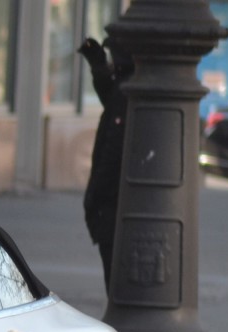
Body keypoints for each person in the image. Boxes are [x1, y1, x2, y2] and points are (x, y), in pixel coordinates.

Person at [79, 37, 134, 292]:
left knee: (118, 286)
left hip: (113, 207)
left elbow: (112, 154)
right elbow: (113, 100)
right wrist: (100, 67)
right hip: (113, 206)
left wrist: (94, 198)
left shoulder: (128, 91)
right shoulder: (125, 89)